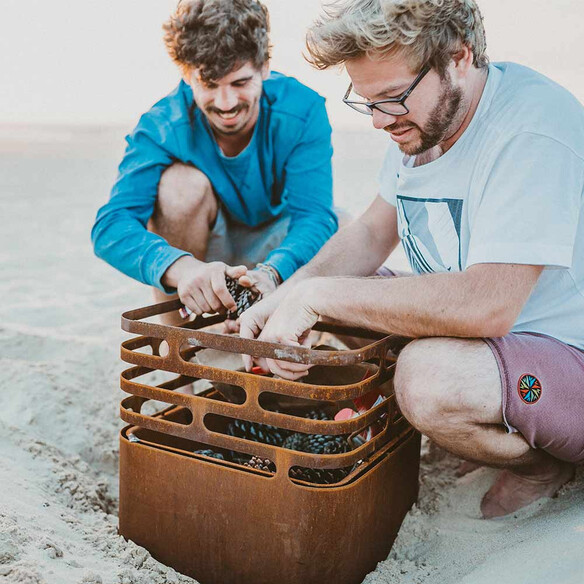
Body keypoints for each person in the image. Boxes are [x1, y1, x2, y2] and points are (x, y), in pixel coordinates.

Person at [239, 0, 584, 519]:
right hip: (487, 335)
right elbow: (373, 232)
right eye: (367, 100)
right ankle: (476, 414)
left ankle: (540, 464)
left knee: (427, 381)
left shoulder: (531, 129)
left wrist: (318, 297)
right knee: (336, 301)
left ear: (459, 56)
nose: (379, 120)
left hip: (563, 353)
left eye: (392, 98)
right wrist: (288, 295)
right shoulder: (423, 119)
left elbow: (489, 306)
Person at [91, 0, 337, 322]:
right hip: (200, 251)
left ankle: (304, 324)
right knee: (179, 187)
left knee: (344, 229)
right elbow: (111, 226)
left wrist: (273, 273)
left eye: (240, 82)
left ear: (264, 66)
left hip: (277, 244)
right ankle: (183, 339)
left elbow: (315, 216)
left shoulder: (302, 109)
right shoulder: (162, 124)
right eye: (209, 84)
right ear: (186, 74)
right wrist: (183, 267)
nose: (226, 103)